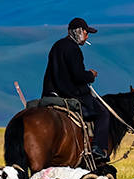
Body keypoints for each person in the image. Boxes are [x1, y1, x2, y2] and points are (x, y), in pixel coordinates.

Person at [42, 17, 109, 160]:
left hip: (50, 93)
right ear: (78, 32)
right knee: (103, 113)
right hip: (70, 94)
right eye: (86, 33)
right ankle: (98, 149)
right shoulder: (73, 49)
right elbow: (78, 76)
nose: (87, 36)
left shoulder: (57, 45)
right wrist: (90, 75)